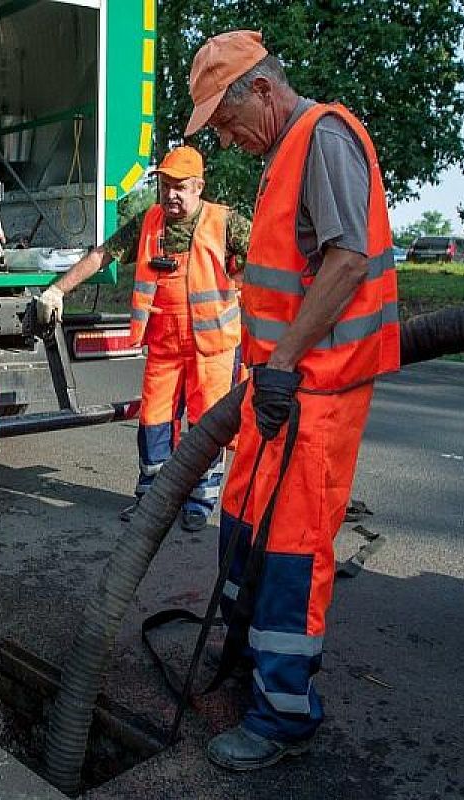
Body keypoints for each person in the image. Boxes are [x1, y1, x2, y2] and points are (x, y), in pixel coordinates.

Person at [184, 31, 399, 769]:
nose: (226, 137)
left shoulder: (324, 138)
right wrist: (269, 373)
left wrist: (279, 364)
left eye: (225, 121)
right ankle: (249, 664)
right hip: (279, 391)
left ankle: (284, 715)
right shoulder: (286, 152)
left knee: (290, 552)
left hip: (316, 395)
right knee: (243, 524)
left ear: (264, 91)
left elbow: (348, 259)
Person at [38, 146, 250, 532]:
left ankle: (200, 500)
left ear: (199, 187)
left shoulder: (226, 223)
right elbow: (103, 255)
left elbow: (267, 263)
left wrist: (246, 293)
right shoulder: (149, 222)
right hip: (165, 347)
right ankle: (152, 498)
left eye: (180, 187)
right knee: (153, 421)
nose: (171, 194)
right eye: (165, 185)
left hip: (214, 348)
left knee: (206, 426)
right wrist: (58, 290)